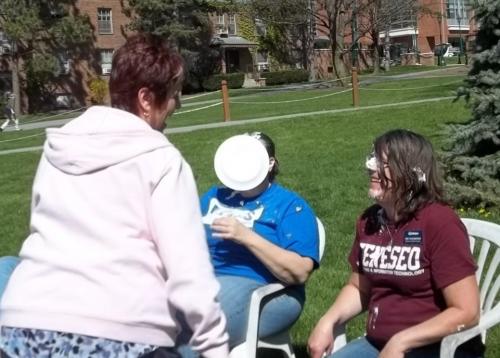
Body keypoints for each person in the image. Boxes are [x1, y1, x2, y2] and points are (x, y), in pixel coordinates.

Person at [0, 33, 228, 358]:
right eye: (175, 95)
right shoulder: (161, 159)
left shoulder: (57, 149)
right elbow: (188, 272)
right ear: (146, 99)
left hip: (23, 330)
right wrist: (216, 348)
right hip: (120, 332)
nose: (178, 104)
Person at [308, 129, 484, 358]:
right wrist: (327, 321)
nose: (371, 167)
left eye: (383, 162)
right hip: (379, 345)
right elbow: (359, 287)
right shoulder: (369, 220)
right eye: (373, 159)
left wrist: (401, 341)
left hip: (439, 347)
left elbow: (467, 311)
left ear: (411, 173)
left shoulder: (439, 222)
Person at [200, 132, 320, 349]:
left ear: (270, 163)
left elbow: (299, 272)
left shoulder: (290, 206)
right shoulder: (214, 196)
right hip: (205, 282)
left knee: (194, 327)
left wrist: (246, 236)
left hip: (266, 291)